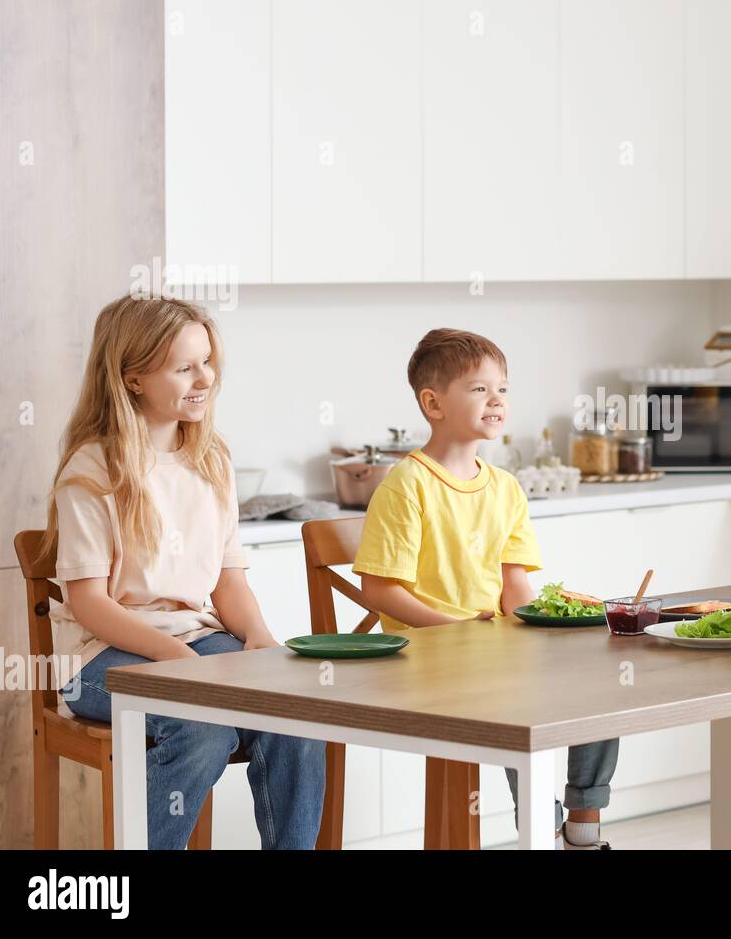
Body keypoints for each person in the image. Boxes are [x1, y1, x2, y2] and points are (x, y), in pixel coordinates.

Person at [49, 294, 325, 849]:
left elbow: (228, 578)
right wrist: (176, 660)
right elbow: (89, 603)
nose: (206, 377)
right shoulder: (94, 470)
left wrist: (258, 638)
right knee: (200, 727)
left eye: (207, 360)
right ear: (132, 379)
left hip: (199, 643)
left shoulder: (211, 460)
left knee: (294, 713)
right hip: (100, 657)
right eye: (184, 367)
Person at [352, 328, 618, 849]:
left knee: (601, 683)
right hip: (426, 657)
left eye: (503, 388)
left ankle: (582, 827)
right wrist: (459, 627)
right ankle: (539, 829)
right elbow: (381, 591)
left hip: (493, 649)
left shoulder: (505, 486)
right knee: (523, 702)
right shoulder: (406, 484)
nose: (496, 400)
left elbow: (515, 587)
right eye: (478, 389)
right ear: (432, 402)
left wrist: (550, 625)